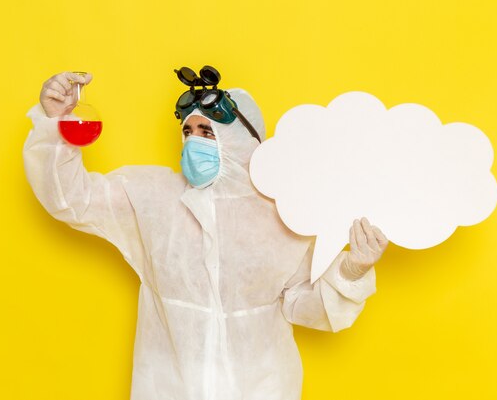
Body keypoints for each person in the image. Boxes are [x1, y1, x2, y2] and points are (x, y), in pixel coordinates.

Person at [23, 70, 388, 400]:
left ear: (242, 142)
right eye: (187, 131)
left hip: (260, 388)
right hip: (167, 385)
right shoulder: (153, 196)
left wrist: (350, 272)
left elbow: (303, 306)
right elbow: (72, 200)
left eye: (207, 132)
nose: (193, 142)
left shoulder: (283, 215)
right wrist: (57, 123)